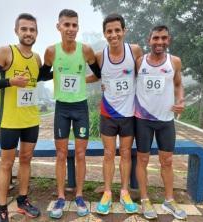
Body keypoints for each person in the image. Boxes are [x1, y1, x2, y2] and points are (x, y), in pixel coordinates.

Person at [0, 13, 50, 222]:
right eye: (24, 29)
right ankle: (2, 208)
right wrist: (10, 81)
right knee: (6, 164)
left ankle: (23, 200)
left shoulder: (37, 58)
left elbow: (43, 76)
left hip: (31, 119)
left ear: (36, 33)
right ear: (17, 31)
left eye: (32, 30)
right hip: (10, 120)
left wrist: (66, 70)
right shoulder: (6, 52)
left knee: (26, 160)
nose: (28, 33)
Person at [41, 9, 101, 219]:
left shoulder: (85, 50)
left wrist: (83, 80)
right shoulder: (51, 51)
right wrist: (57, 73)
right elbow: (42, 75)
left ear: (78, 27)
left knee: (81, 154)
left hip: (81, 108)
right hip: (62, 109)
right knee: (60, 154)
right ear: (59, 27)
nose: (71, 29)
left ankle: (80, 195)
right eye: (66, 25)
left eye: (74, 25)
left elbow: (98, 73)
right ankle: (60, 197)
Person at [86, 13, 143, 215]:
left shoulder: (134, 50)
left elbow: (143, 74)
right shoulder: (100, 56)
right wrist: (79, 80)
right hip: (108, 113)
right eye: (109, 31)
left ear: (124, 31)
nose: (113, 35)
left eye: (117, 30)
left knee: (126, 153)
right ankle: (108, 192)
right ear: (104, 34)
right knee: (109, 154)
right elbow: (96, 76)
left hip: (128, 114)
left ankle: (125, 192)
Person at [134, 25, 187, 220]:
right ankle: (145, 199)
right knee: (143, 160)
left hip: (166, 120)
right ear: (149, 40)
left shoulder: (174, 62)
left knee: (167, 161)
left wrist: (180, 100)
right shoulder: (140, 63)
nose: (160, 42)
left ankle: (169, 200)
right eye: (156, 38)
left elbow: (179, 84)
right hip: (143, 120)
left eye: (163, 38)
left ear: (169, 40)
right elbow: (124, 78)